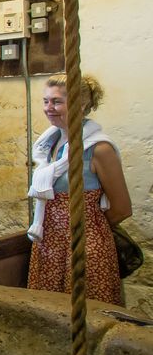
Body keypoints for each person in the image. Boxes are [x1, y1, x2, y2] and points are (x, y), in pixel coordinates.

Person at [27, 75, 132, 305]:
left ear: (81, 103)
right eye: (45, 101)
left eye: (56, 102)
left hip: (85, 246)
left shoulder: (99, 149)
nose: (49, 108)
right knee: (48, 315)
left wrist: (89, 228)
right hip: (49, 247)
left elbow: (122, 208)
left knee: (88, 313)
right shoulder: (48, 147)